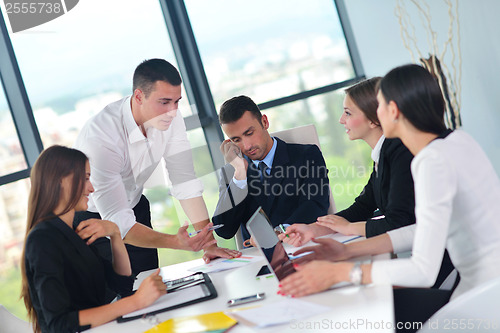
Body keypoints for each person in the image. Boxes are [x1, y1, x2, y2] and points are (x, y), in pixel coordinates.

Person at [278, 64, 500, 331]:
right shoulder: (456, 141)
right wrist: (346, 250)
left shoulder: (431, 162)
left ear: (392, 111)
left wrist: (340, 273)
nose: (377, 111)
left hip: (483, 301)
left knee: (364, 318)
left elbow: (423, 270)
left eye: (380, 104)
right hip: (483, 288)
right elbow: (421, 230)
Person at [74, 59, 239, 277]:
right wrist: (177, 243)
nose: (172, 111)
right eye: (164, 102)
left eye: (177, 101)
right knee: (118, 300)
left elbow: (185, 180)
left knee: (151, 286)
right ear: (139, 96)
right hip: (94, 221)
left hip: (135, 207)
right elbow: (116, 220)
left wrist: (208, 244)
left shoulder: (171, 119)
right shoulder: (101, 139)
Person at [21, 145, 166, 333]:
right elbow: (59, 323)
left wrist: (114, 234)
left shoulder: (75, 231)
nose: (92, 188)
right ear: (61, 181)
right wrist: (136, 302)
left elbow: (121, 284)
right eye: (86, 178)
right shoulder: (42, 240)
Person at [283, 77, 415, 245]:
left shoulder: (400, 153)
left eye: (348, 113)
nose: (341, 120)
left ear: (374, 119)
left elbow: (399, 223)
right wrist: (312, 229)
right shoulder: (384, 154)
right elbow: (362, 208)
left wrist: (349, 228)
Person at [212, 95, 330, 242]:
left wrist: (277, 232)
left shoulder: (306, 155)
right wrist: (240, 175)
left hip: (300, 245)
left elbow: (315, 205)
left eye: (249, 133)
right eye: (237, 140)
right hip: (258, 258)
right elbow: (224, 230)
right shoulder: (233, 172)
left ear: (264, 122)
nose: (247, 146)